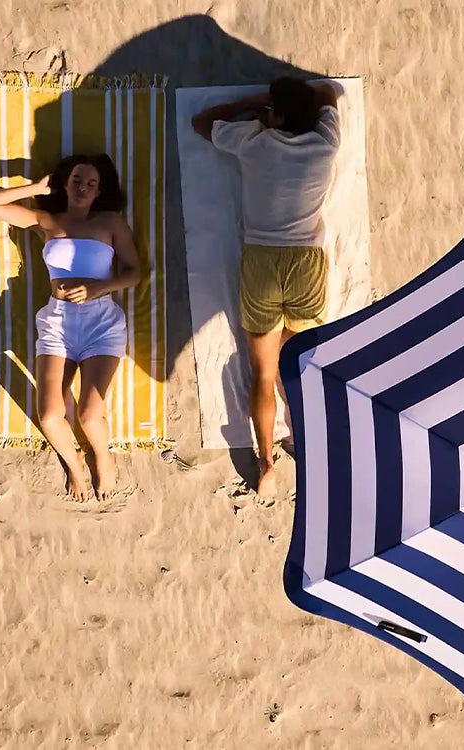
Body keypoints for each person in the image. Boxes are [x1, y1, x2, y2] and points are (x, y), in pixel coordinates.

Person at [191, 76, 341, 497]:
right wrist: (283, 108)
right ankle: (305, 440)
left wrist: (255, 103)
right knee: (301, 368)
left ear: (277, 114)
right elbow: (328, 89)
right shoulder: (325, 142)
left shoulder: (254, 141)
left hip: (261, 260)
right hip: (304, 262)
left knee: (262, 372)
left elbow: (202, 122)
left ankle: (266, 462)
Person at [0, 154, 142, 500]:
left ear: (99, 192)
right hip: (58, 321)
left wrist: (97, 287)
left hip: (100, 322)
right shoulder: (46, 220)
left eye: (91, 183)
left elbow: (134, 272)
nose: (83, 187)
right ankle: (74, 464)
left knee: (88, 414)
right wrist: (36, 187)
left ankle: (104, 459)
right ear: (65, 184)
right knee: (51, 416)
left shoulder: (110, 222)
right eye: (77, 180)